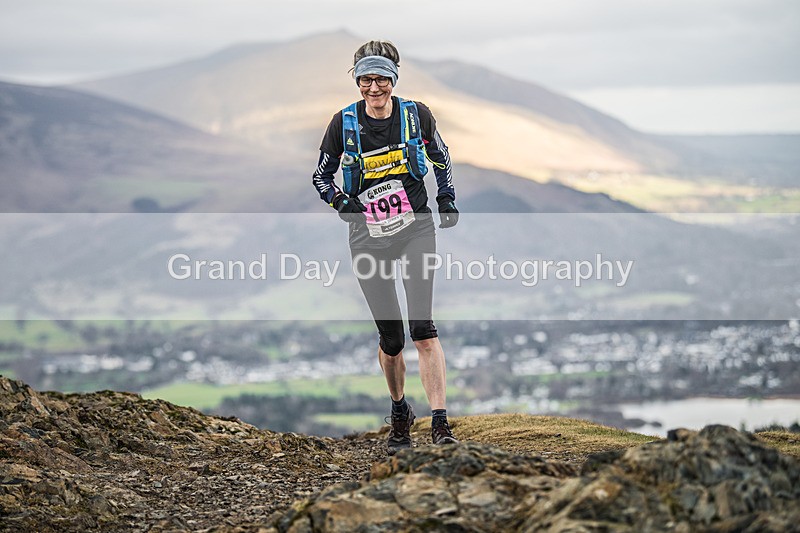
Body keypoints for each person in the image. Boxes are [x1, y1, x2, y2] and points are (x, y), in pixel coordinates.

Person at [312, 40, 460, 455]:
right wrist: (343, 203)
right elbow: (321, 178)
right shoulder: (343, 124)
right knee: (391, 338)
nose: (373, 87)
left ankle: (441, 423)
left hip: (415, 229)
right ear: (358, 82)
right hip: (368, 237)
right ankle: (399, 412)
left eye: (380, 79)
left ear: (393, 81)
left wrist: (446, 198)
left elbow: (442, 159)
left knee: (423, 330)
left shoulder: (417, 116)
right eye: (365, 79)